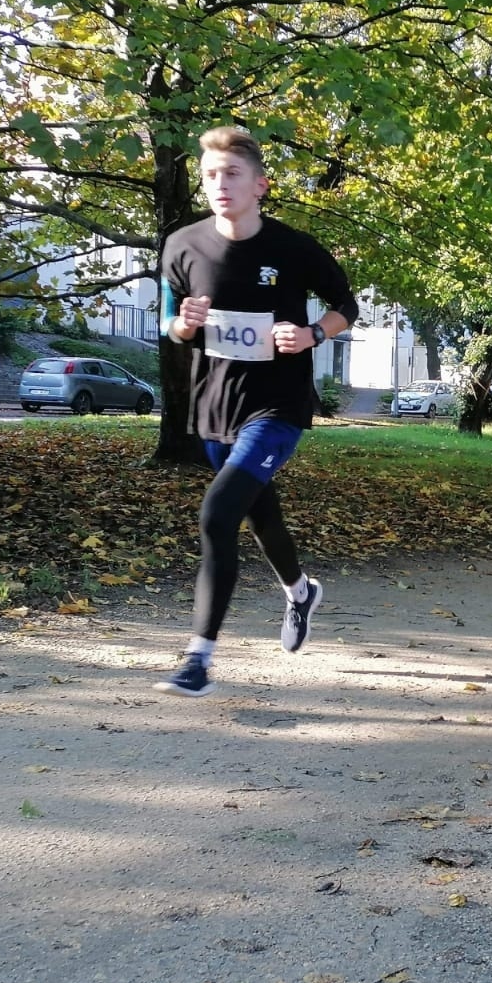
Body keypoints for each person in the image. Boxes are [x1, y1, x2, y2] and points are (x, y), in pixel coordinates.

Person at [154, 126, 358, 697]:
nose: (220, 184)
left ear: (260, 185)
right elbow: (170, 324)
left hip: (278, 406)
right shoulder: (181, 246)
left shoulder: (292, 248)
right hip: (216, 407)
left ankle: (198, 659)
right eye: (210, 175)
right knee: (261, 517)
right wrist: (184, 324)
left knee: (217, 513)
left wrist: (314, 333)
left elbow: (348, 305)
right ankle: (300, 591)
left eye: (232, 174)